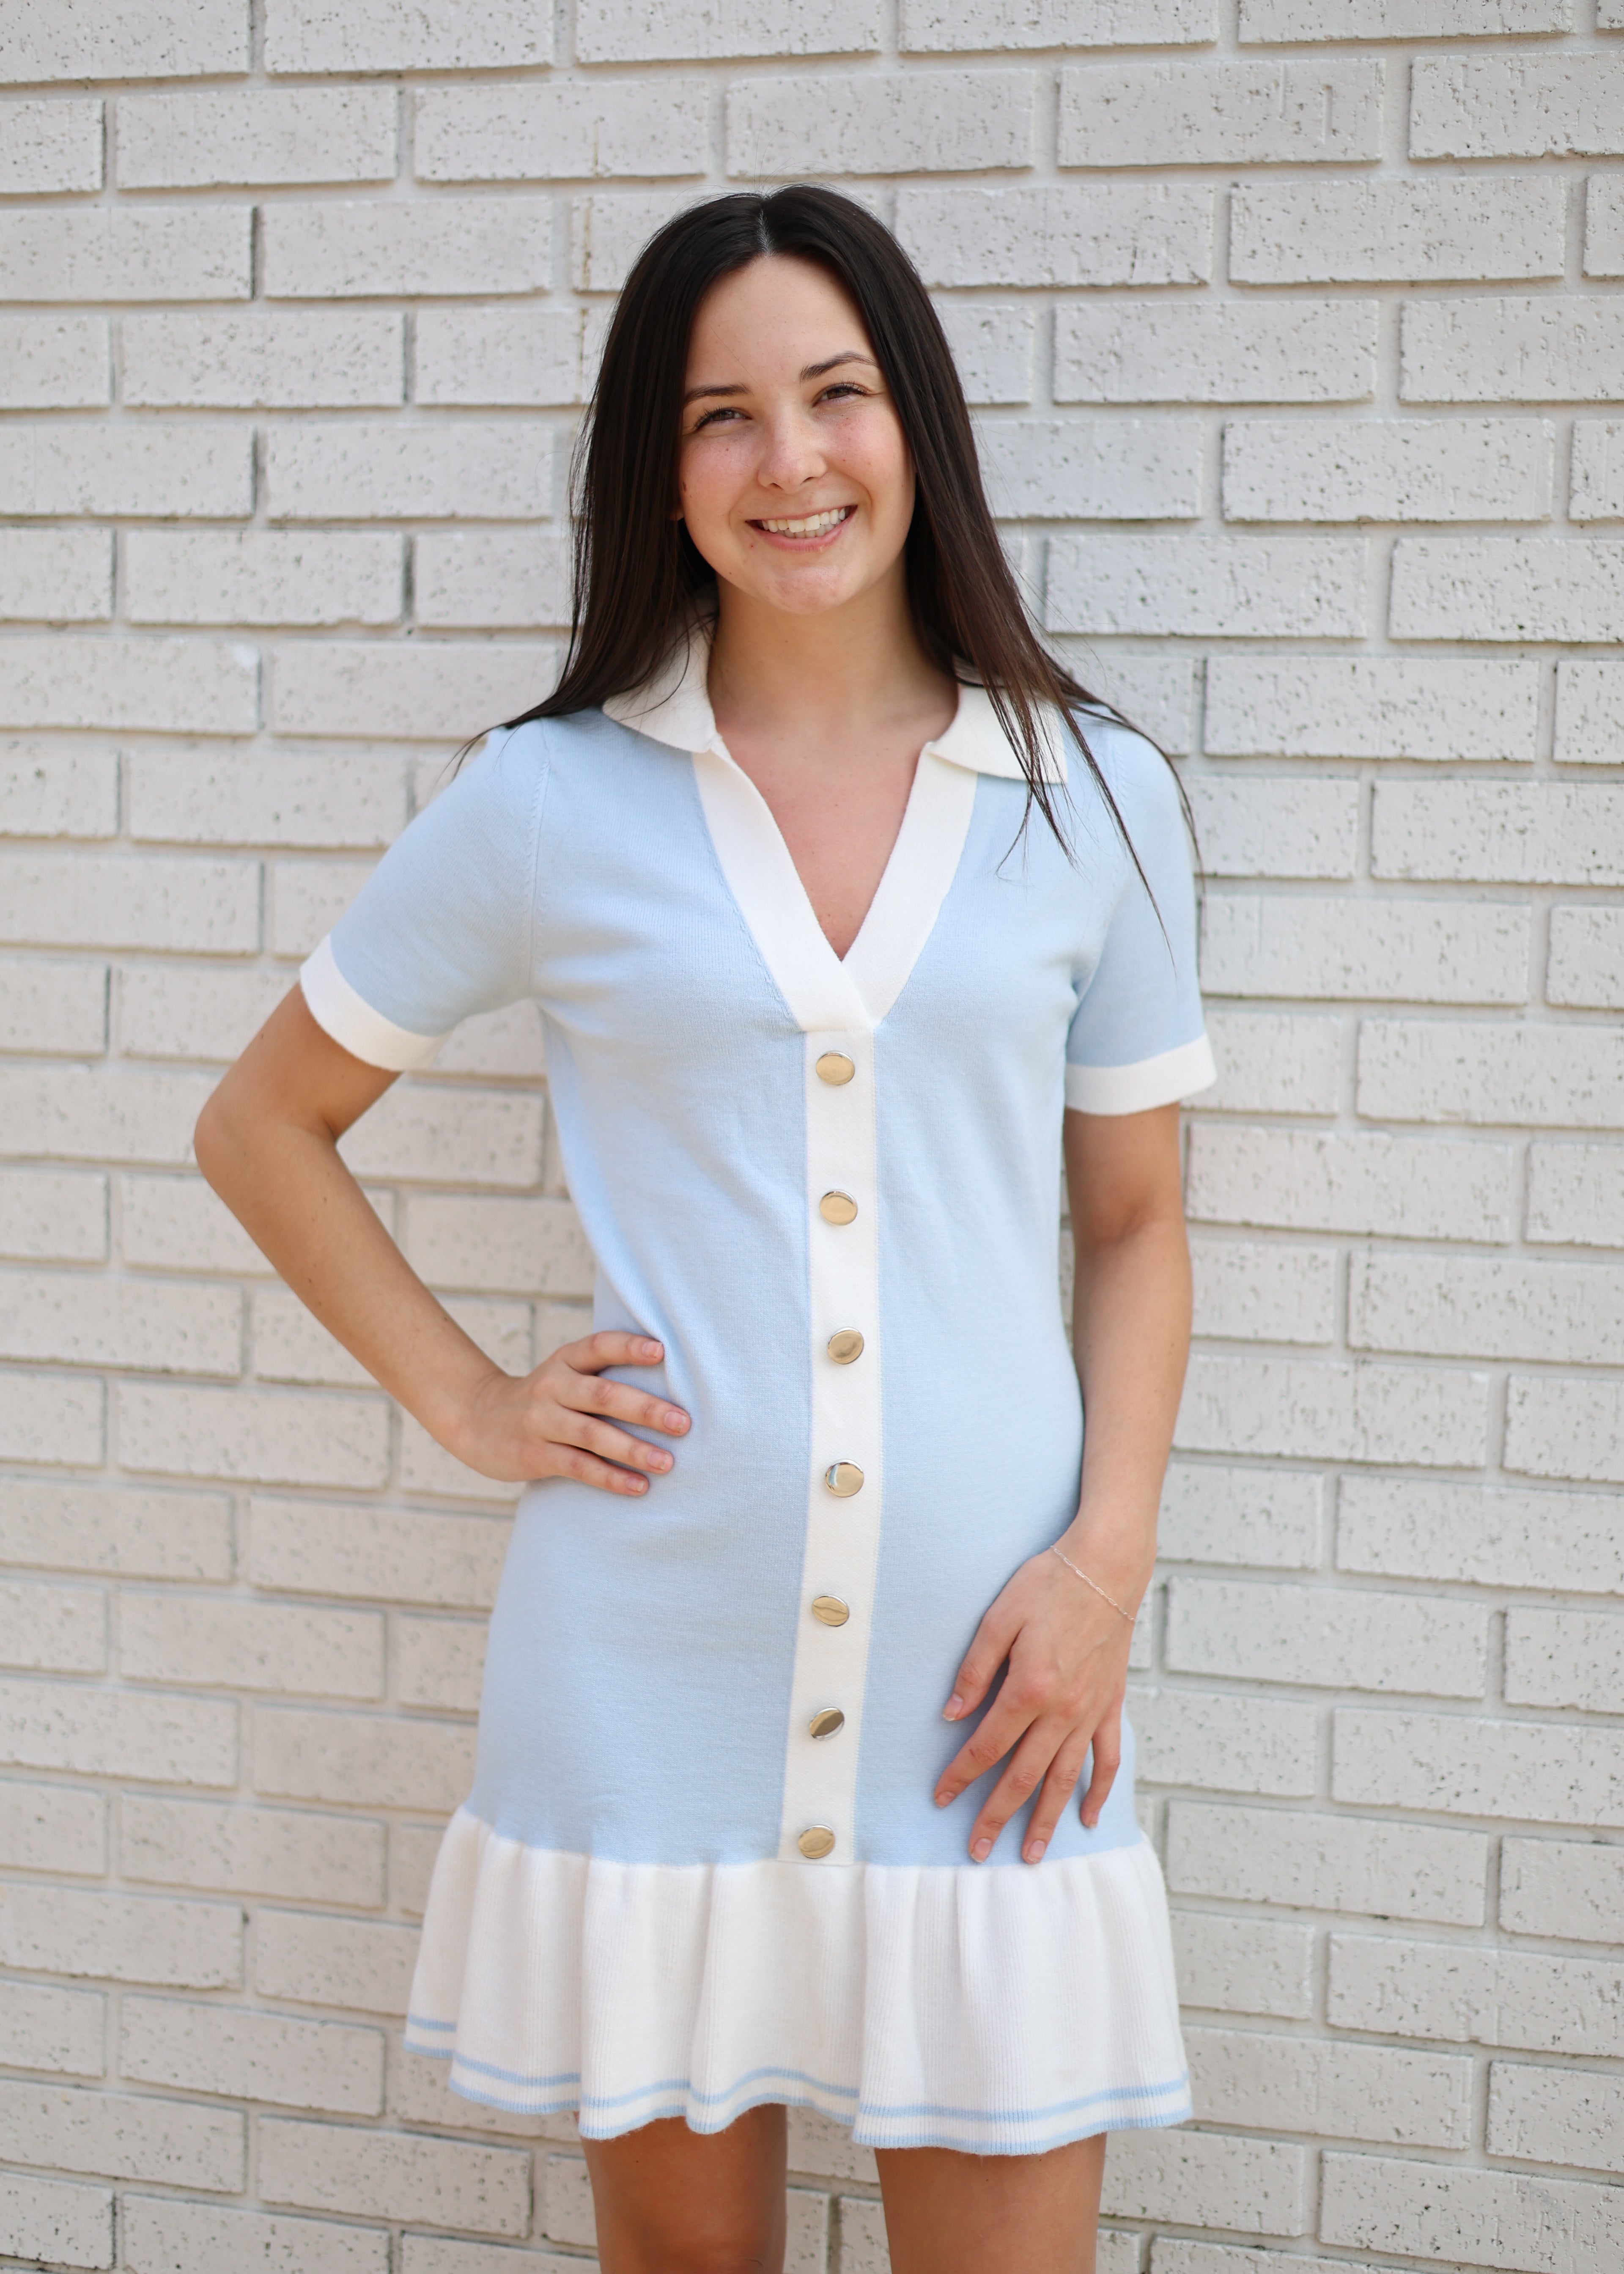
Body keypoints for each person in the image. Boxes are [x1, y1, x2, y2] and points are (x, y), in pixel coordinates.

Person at [196, 185, 1215, 2274]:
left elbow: (1129, 1226)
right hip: (645, 1670)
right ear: (661, 475)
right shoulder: (554, 801)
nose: (789, 462)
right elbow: (264, 1122)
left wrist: (1108, 1560)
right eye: (718, 417)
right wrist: (475, 1403)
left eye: (834, 395)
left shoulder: (1089, 795)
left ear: (911, 422)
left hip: (995, 1691)